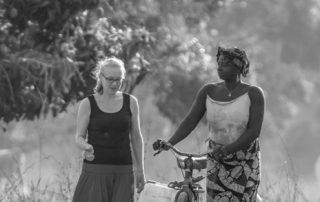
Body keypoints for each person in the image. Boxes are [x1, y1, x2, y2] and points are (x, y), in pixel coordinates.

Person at [153, 46, 265, 202]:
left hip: (244, 161)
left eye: (225, 64)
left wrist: (228, 150)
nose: (219, 67)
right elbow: (190, 121)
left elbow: (254, 131)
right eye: (218, 63)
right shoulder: (209, 91)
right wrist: (169, 142)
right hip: (217, 159)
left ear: (238, 67)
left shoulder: (253, 94)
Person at [73, 57, 146, 202]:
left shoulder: (131, 102)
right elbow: (79, 137)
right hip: (95, 171)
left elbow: (136, 137)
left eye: (118, 80)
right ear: (100, 77)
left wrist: (140, 170)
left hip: (124, 171)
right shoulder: (88, 103)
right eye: (110, 79)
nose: (114, 83)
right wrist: (86, 146)